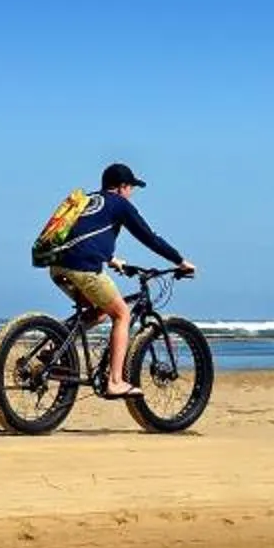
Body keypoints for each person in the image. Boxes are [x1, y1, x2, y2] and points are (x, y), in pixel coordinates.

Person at [42, 162, 195, 399]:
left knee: (100, 312)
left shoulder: (89, 200)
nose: (132, 193)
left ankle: (54, 346)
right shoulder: (120, 204)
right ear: (123, 187)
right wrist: (180, 261)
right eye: (131, 187)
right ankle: (115, 381)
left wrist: (112, 259)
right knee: (122, 314)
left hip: (57, 264)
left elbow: (83, 234)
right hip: (84, 266)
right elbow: (149, 237)